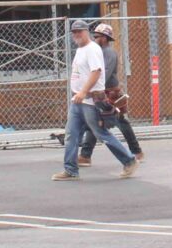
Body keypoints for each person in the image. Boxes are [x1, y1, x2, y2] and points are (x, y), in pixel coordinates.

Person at [54, 19, 138, 180]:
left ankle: (129, 160)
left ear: (87, 32)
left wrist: (83, 91)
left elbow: (96, 72)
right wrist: (78, 93)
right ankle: (71, 170)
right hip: (79, 100)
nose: (77, 34)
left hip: (90, 100)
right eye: (74, 32)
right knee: (71, 134)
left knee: (101, 133)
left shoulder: (92, 49)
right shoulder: (81, 49)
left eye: (80, 31)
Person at [77, 23, 143, 167]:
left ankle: (136, 152)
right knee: (95, 122)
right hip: (101, 93)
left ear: (106, 38)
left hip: (111, 93)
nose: (95, 38)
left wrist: (89, 88)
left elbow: (103, 75)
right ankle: (85, 155)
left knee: (121, 122)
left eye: (98, 36)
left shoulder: (109, 53)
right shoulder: (98, 52)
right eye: (94, 36)